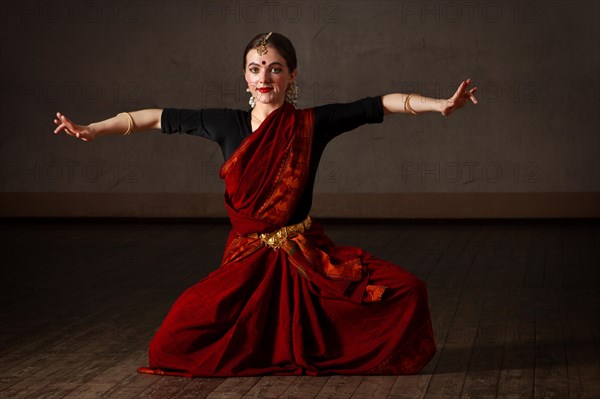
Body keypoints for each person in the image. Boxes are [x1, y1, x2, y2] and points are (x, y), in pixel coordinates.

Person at [52, 32, 478, 377]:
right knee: (170, 343)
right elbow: (155, 117)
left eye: (275, 69)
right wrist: (95, 129)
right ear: (244, 76)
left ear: (292, 75)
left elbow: (378, 104)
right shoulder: (225, 123)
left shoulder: (310, 124)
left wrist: (439, 104)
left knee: (408, 291)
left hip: (305, 254)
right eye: (256, 69)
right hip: (246, 260)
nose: (265, 77)